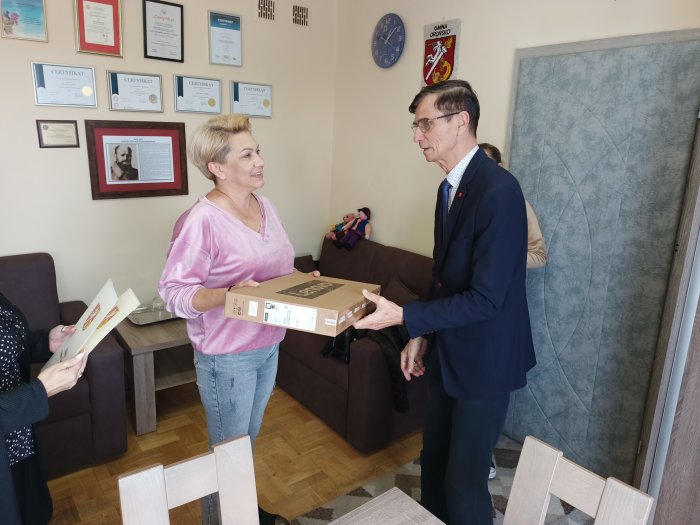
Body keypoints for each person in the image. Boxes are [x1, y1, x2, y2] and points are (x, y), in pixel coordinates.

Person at [355, 79, 536, 525]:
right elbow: (444, 280)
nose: (417, 136)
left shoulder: (499, 191)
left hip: (486, 360)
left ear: (460, 121)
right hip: (449, 350)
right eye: (415, 126)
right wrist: (420, 334)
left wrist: (406, 315)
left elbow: (487, 299)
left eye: (425, 124)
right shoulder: (449, 188)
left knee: (464, 482)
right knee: (433, 463)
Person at [159, 114, 303, 525]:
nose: (260, 161)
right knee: (226, 453)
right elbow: (174, 293)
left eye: (258, 151)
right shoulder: (201, 220)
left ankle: (241, 511)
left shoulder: (266, 206)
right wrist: (229, 294)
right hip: (227, 357)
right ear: (217, 168)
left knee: (244, 444)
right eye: (247, 154)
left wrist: (304, 282)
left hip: (269, 345)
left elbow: (279, 270)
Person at [479, 142, 547, 480]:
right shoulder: (459, 204)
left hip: (502, 310)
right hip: (469, 310)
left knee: (495, 386)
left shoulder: (518, 204)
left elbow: (540, 254)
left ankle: (485, 455)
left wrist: (503, 259)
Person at [0, 293, 87, 525]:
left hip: (19, 438)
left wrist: (46, 343)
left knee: (33, 511)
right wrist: (39, 392)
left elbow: (7, 341)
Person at [479, 142, 547, 269]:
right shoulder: (462, 202)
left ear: (499, 167)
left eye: (484, 164)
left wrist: (500, 259)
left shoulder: (518, 205)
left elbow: (540, 256)